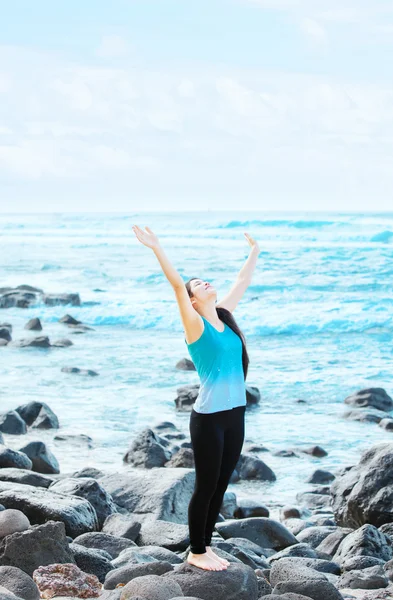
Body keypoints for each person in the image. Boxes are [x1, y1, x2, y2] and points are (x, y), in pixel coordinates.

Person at [132, 224, 260, 571]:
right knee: (205, 486)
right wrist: (157, 247)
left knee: (221, 483)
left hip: (236, 414)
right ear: (192, 300)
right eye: (197, 284)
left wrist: (254, 251)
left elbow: (241, 283)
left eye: (205, 280)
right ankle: (196, 550)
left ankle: (207, 545)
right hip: (208, 418)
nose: (204, 283)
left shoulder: (225, 316)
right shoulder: (195, 326)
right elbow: (176, 285)